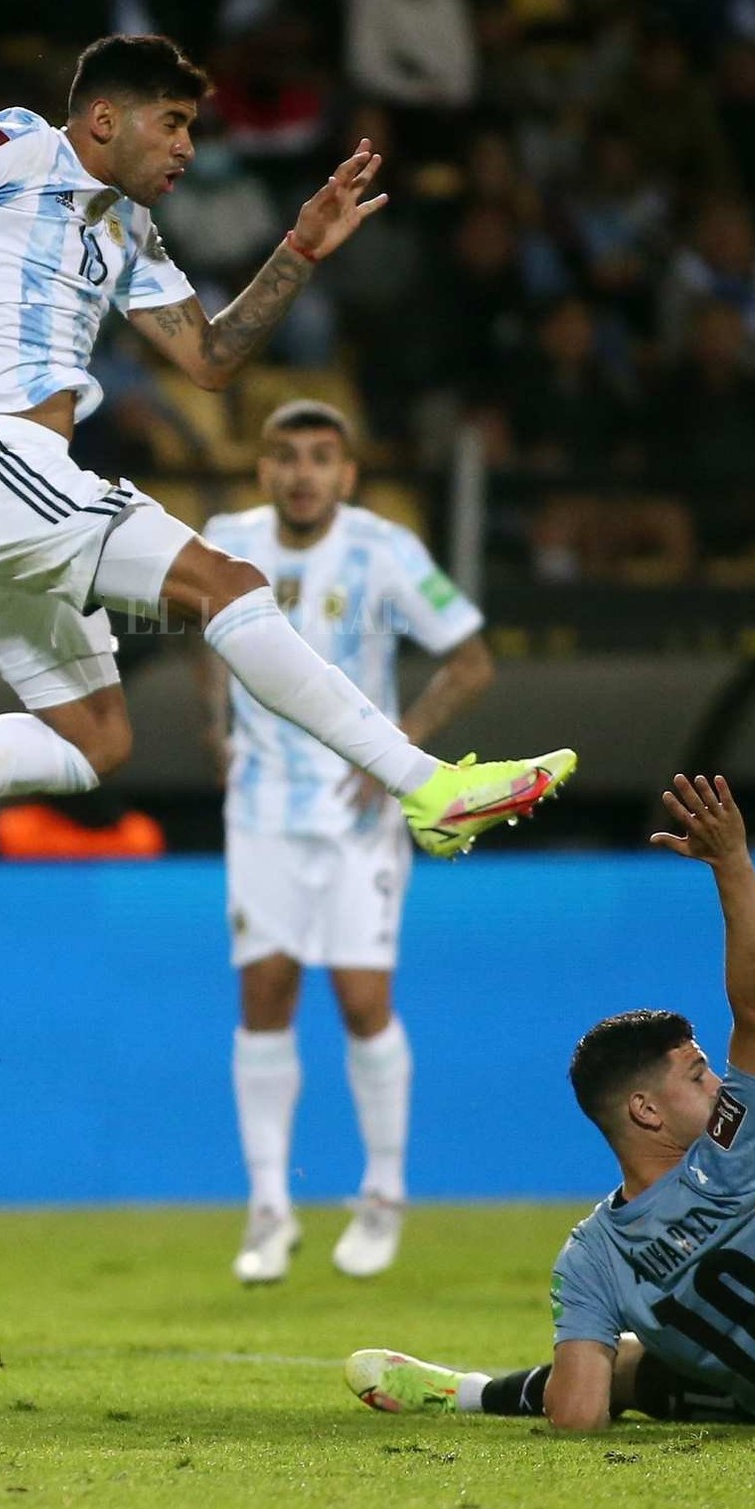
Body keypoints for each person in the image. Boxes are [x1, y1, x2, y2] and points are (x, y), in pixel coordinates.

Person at [0, 34, 576, 935]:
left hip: (7, 483)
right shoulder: (21, 144)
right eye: (171, 123)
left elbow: (209, 357)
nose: (186, 148)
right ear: (104, 118)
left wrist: (299, 249)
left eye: (190, 128)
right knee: (227, 583)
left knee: (95, 738)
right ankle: (427, 787)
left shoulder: (127, 229)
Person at [346, 775, 755, 1429]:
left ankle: (472, 1393)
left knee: (634, 1373)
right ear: (645, 1110)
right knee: (670, 1356)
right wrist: (731, 862)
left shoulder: (590, 1257)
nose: (719, 1085)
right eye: (698, 1075)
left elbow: (578, 1417)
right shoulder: (732, 1153)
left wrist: (592, 1329)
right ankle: (483, 1388)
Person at [197, 400, 496, 1285]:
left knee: (362, 1001)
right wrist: (215, 727)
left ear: (348, 474)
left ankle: (383, 1193)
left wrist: (399, 748)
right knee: (264, 994)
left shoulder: (383, 549)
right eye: (285, 456)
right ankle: (267, 1208)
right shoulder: (226, 541)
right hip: (260, 806)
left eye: (320, 457)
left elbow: (471, 659)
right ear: (262, 468)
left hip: (355, 814)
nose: (302, 473)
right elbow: (202, 639)